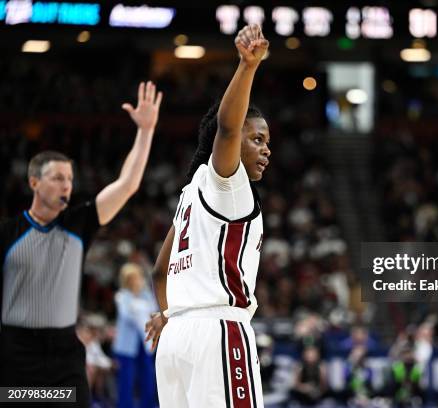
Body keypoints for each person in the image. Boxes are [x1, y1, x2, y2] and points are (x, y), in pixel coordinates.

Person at [0, 81, 162, 407]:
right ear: (34, 182)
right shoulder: (9, 233)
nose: (67, 185)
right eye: (57, 177)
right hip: (15, 354)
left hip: (63, 354)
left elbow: (127, 184)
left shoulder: (79, 224)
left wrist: (145, 131)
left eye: (70, 179)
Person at [145, 24, 270, 407]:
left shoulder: (190, 193)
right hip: (217, 330)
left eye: (268, 142)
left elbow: (159, 270)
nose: (266, 150)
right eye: (258, 139)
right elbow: (229, 127)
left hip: (176, 339)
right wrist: (247, 67)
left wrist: (168, 314)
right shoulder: (225, 183)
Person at [113, 262, 158, 408]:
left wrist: (138, 310)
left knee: (148, 378)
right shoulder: (122, 296)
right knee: (126, 381)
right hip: (127, 346)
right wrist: (141, 313)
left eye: (138, 277)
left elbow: (154, 313)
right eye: (133, 278)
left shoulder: (146, 295)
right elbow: (126, 315)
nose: (137, 280)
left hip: (144, 343)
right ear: (127, 280)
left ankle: (148, 405)